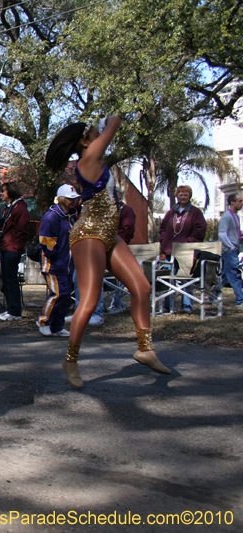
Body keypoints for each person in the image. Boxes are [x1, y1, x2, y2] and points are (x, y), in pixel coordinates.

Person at [45, 116, 170, 388]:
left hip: (109, 234)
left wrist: (99, 124)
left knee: (142, 287)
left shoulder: (93, 158)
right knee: (89, 302)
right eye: (92, 130)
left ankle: (145, 349)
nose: (96, 132)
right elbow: (115, 123)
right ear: (84, 140)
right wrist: (107, 121)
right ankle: (70, 359)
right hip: (89, 234)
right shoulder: (88, 159)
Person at [37, 185, 79, 337]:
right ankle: (43, 321)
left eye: (74, 198)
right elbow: (46, 240)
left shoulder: (71, 217)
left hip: (67, 264)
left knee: (65, 296)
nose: (73, 201)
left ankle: (57, 326)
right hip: (54, 264)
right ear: (61, 199)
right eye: (69, 198)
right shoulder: (51, 217)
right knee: (58, 294)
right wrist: (53, 256)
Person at [159, 185, 206, 313]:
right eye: (181, 195)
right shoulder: (171, 213)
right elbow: (162, 228)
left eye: (186, 195)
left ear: (189, 196)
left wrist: (189, 243)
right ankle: (168, 306)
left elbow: (200, 229)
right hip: (170, 251)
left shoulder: (195, 212)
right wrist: (164, 241)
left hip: (186, 252)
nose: (183, 197)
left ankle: (186, 306)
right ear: (177, 196)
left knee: (185, 278)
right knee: (169, 278)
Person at [0, 182, 29, 321]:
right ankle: (10, 309)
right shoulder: (7, 209)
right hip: (5, 247)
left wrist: (16, 247)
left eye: (3, 191)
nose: (1, 194)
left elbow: (22, 230)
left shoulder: (20, 208)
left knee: (11, 280)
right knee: (6, 280)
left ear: (10, 191)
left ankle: (15, 311)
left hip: (12, 249)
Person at [107, 200, 136, 314]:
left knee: (121, 275)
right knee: (114, 276)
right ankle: (117, 304)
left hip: (120, 246)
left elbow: (129, 228)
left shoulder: (126, 210)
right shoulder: (107, 209)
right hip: (108, 246)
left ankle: (117, 304)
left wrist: (122, 242)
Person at [218, 193, 243, 307]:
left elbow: (234, 233)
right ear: (232, 202)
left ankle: (213, 294)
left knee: (224, 275)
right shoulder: (226, 216)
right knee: (235, 275)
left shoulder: (236, 216)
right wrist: (231, 246)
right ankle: (240, 300)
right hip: (229, 251)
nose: (242, 203)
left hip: (233, 250)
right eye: (240, 201)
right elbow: (222, 234)